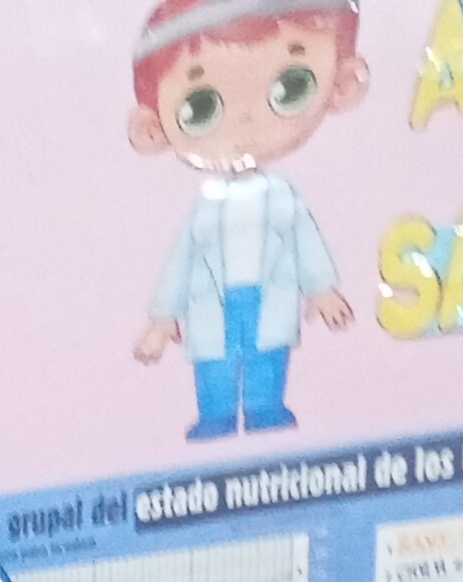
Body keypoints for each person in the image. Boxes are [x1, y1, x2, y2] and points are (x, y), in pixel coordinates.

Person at [127, 5, 366, 443]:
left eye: (291, 86)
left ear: (342, 84)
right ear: (153, 128)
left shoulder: (282, 198)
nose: (246, 120)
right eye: (201, 106)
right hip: (213, 300)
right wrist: (163, 317)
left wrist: (321, 288)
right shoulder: (205, 208)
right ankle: (216, 414)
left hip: (267, 293)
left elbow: (304, 239)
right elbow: (182, 258)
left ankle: (264, 407)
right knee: (214, 361)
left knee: (267, 355)